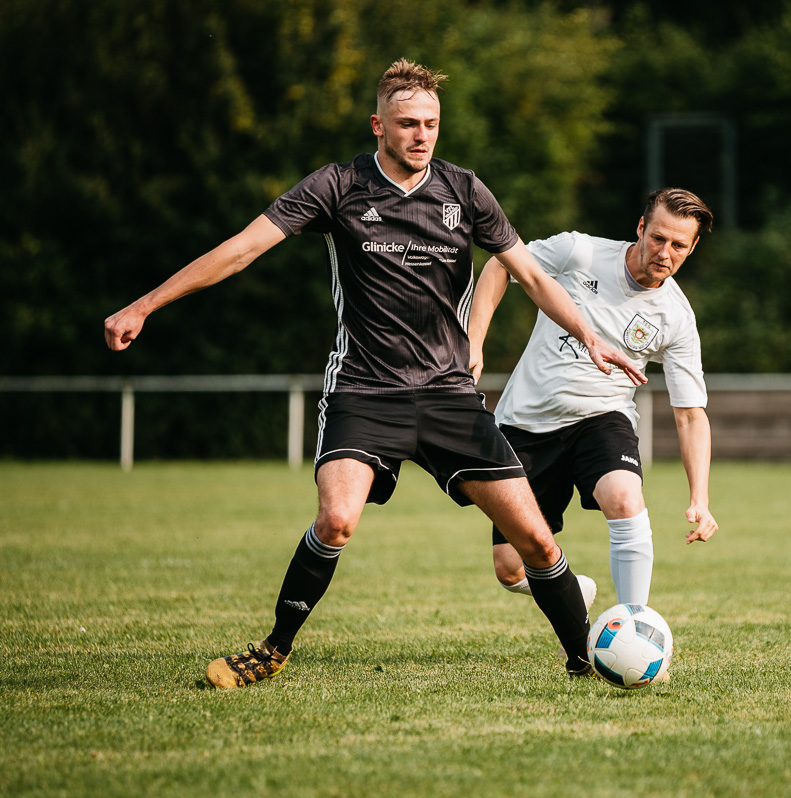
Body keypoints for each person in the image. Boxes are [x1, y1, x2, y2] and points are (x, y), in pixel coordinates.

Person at [103, 59, 645, 688]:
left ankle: (584, 660)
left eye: (432, 124)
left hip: (448, 395)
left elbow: (530, 274)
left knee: (538, 543)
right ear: (378, 125)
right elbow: (242, 249)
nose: (422, 135)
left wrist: (588, 335)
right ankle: (274, 649)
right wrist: (144, 305)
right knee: (336, 520)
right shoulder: (338, 185)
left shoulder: (465, 191)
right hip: (364, 391)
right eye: (408, 123)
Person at [467, 188, 719, 624]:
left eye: (679, 245)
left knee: (624, 497)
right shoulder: (579, 253)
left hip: (602, 418)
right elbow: (500, 263)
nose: (665, 252)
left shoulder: (675, 317)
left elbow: (690, 413)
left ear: (692, 247)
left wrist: (701, 496)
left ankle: (635, 625)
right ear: (641, 227)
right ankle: (574, 589)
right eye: (658, 238)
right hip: (525, 424)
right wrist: (474, 343)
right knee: (510, 569)